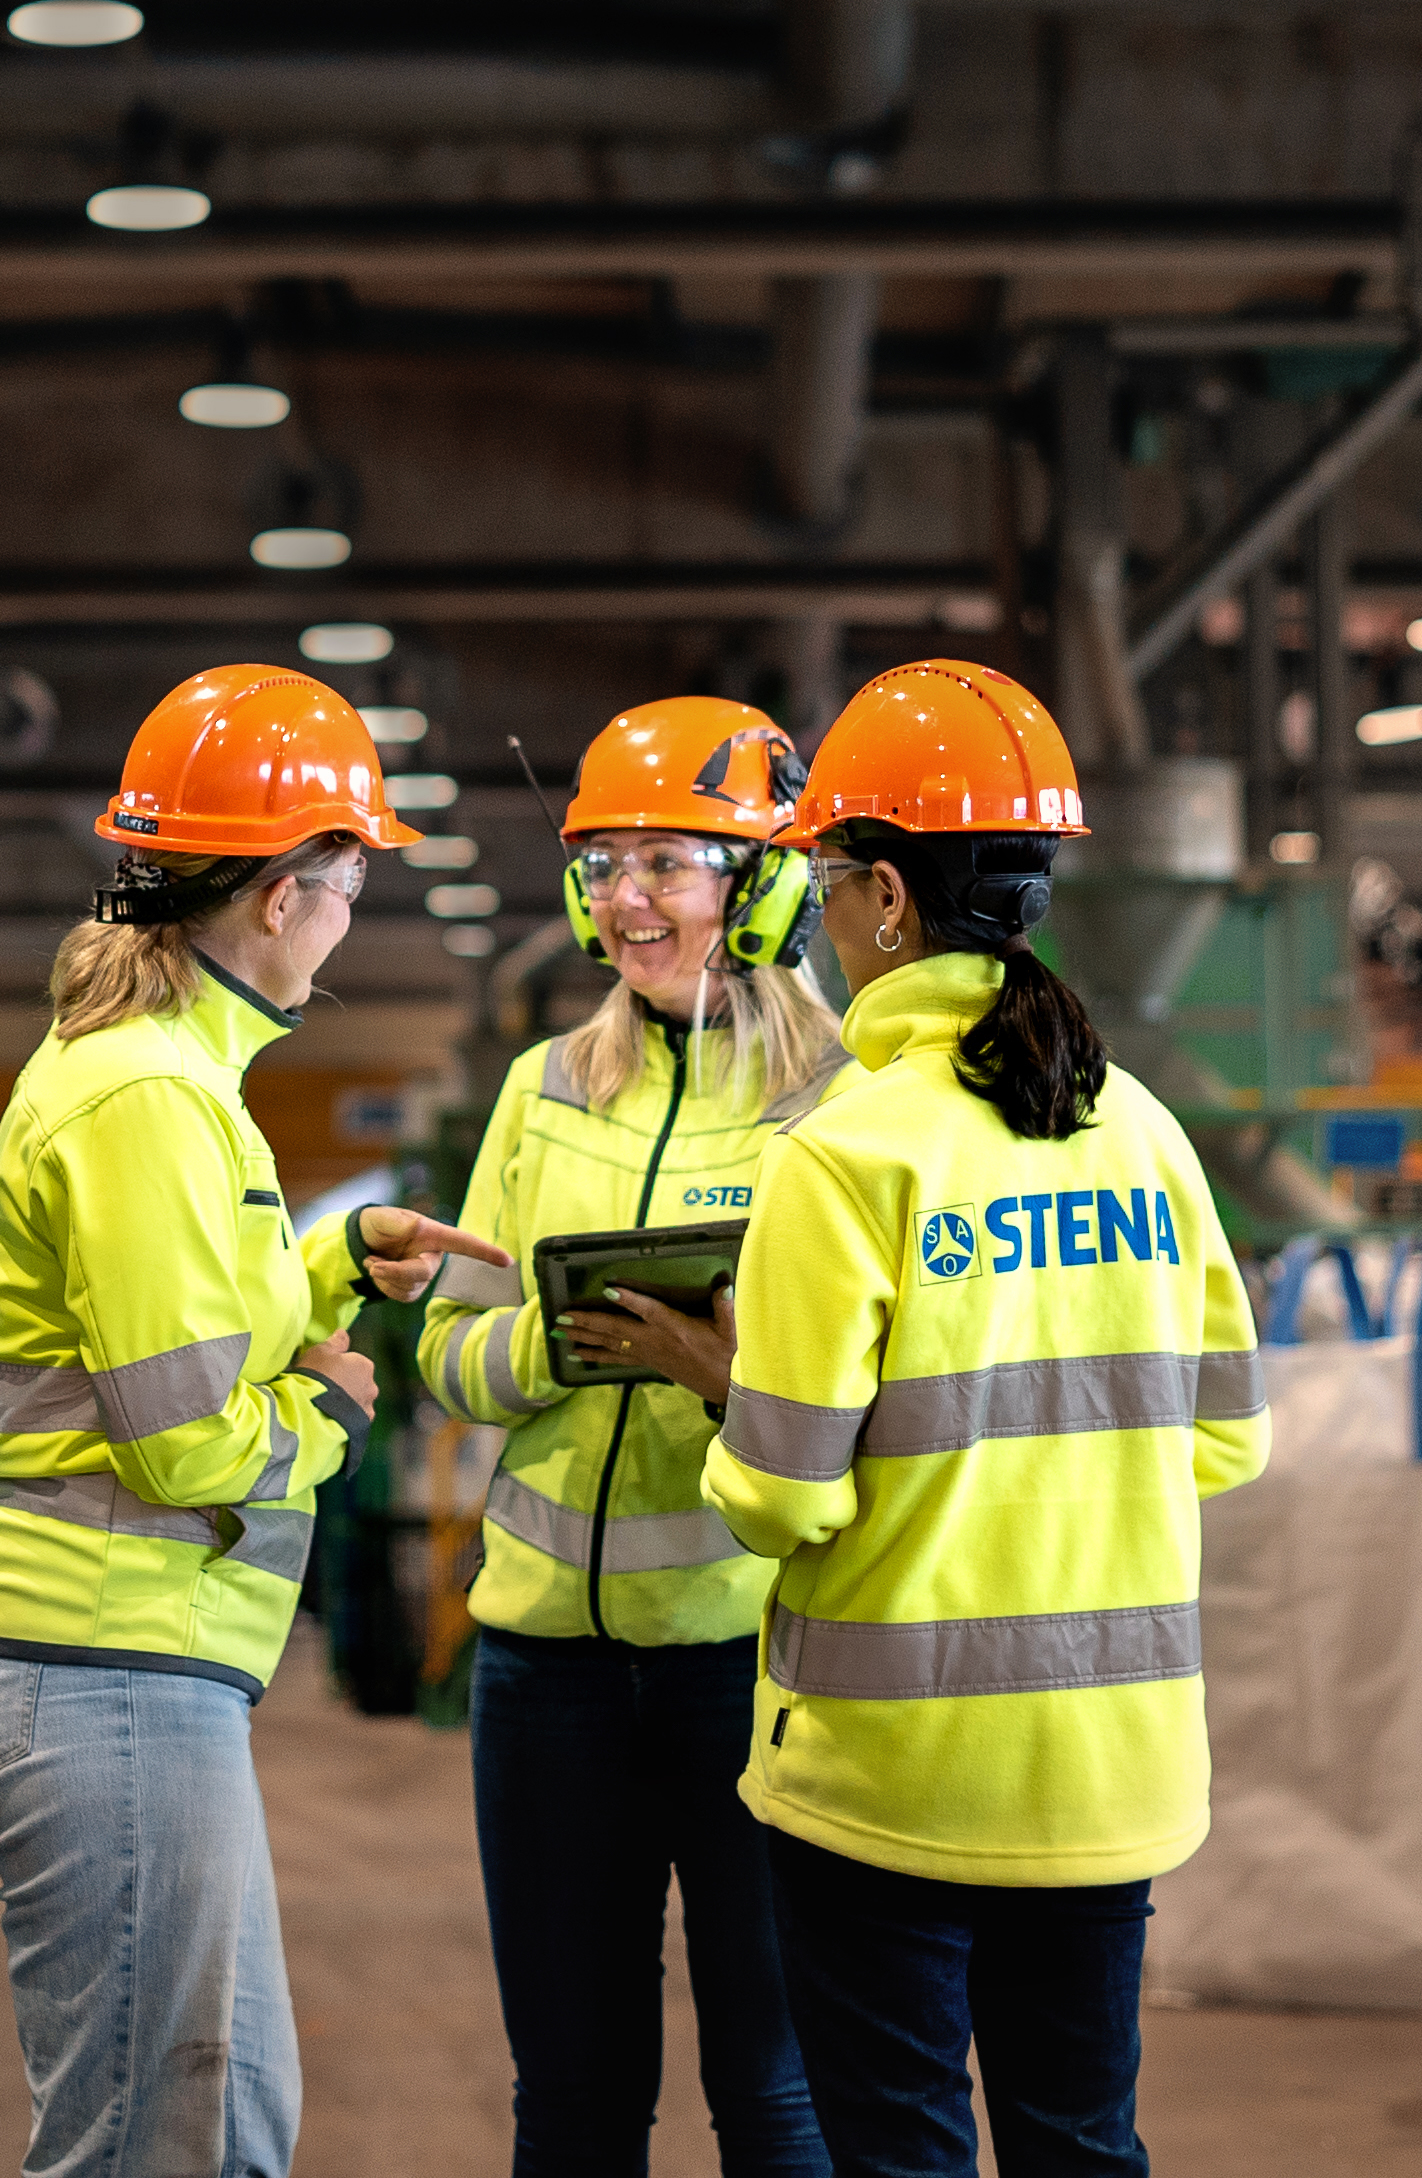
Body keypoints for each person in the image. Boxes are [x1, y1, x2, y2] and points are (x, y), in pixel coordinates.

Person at [613, 656, 1267, 2178]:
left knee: (902, 2158)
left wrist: (731, 1390)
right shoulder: (1147, 1134)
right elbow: (1227, 1439)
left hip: (891, 1785)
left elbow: (782, 1500)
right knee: (1081, 2144)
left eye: (830, 882)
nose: (821, 921)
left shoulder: (848, 1158)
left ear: (890, 901)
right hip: (1114, 1768)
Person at [0, 662, 511, 2178]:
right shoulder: (152, 1101)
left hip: (125, 1670)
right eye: (348, 879)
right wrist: (324, 1410)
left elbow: (176, 1322)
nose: (350, 913)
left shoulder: (171, 1083)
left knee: (217, 2131)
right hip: (104, 1666)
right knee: (164, 2146)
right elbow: (187, 1439)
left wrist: (336, 1262)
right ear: (281, 893)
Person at [416, 697, 846, 2178]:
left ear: (769, 885)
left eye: (669, 860)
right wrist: (554, 1345)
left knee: (778, 2097)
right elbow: (448, 1353)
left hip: (755, 1662)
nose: (628, 899)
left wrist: (731, 1374)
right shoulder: (544, 1094)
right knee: (574, 2103)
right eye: (604, 863)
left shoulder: (836, 1107)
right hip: (548, 1679)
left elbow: (879, 1394)